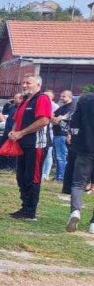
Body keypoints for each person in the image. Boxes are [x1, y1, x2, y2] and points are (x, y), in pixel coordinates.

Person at [7, 76, 54, 221]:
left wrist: (21, 133)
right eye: (23, 82)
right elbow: (17, 120)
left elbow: (44, 120)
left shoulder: (42, 98)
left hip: (36, 144)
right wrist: (13, 132)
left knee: (32, 177)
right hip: (22, 144)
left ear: (38, 84)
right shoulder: (24, 101)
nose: (24, 85)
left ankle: (30, 211)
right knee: (21, 176)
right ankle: (25, 207)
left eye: (28, 83)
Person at [66, 94, 94, 233]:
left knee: (78, 184)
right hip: (85, 147)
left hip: (85, 148)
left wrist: (75, 140)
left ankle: (75, 211)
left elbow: (74, 122)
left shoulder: (84, 100)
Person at [51, 90, 76, 181]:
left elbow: (62, 119)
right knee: (57, 157)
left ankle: (61, 177)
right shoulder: (62, 107)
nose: (61, 98)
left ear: (70, 96)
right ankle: (58, 175)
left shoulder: (72, 107)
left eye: (63, 96)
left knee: (61, 157)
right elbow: (52, 116)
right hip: (56, 133)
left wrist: (58, 119)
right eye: (61, 96)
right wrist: (56, 119)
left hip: (63, 134)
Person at [0, 93, 23, 170]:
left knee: (14, 148)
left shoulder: (22, 108)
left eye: (16, 98)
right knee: (3, 146)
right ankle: (2, 164)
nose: (14, 99)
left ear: (21, 99)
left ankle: (12, 166)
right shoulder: (12, 106)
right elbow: (4, 113)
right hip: (7, 129)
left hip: (16, 131)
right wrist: (7, 104)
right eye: (14, 98)